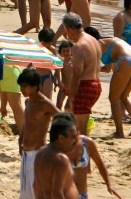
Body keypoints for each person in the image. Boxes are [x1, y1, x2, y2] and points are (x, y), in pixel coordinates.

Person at [87, 28, 131, 138]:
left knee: (113, 98)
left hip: (126, 61)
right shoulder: (109, 41)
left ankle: (119, 132)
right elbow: (107, 69)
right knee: (124, 97)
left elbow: (90, 65)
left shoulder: (97, 44)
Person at [18, 68, 58, 199]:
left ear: (35, 86)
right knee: (26, 193)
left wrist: (55, 143)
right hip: (25, 153)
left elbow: (63, 119)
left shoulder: (45, 103)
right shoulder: (28, 101)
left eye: (25, 86)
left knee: (38, 193)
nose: (22, 89)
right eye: (21, 86)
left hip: (38, 154)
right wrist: (21, 137)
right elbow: (27, 122)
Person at [62, 13, 101, 137]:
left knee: (79, 129)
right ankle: (80, 153)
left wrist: (70, 98)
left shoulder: (78, 47)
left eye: (66, 31)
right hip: (96, 85)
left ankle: (82, 154)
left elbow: (77, 75)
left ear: (69, 29)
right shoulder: (93, 40)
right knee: (79, 125)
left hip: (85, 86)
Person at [33, 114, 79, 199]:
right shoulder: (60, 159)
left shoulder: (40, 153)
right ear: (61, 138)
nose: (76, 141)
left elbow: (35, 185)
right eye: (73, 137)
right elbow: (56, 193)